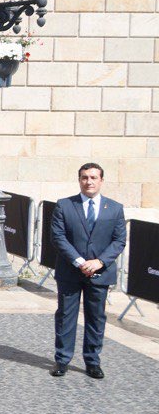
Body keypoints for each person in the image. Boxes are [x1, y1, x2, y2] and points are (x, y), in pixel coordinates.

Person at [49, 162, 127, 380]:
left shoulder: (114, 208)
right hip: (71, 271)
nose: (89, 181)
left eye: (93, 177)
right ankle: (62, 360)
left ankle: (92, 361)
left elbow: (119, 240)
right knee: (65, 316)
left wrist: (99, 262)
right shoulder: (65, 205)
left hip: (100, 273)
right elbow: (58, 237)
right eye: (85, 177)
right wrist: (79, 261)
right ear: (79, 180)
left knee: (96, 318)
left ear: (101, 180)